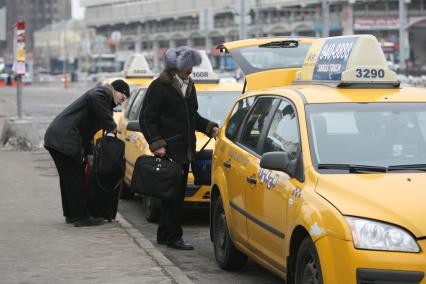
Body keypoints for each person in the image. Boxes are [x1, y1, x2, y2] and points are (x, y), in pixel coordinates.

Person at [139, 46, 219, 250]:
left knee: (174, 195)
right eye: (187, 66)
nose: (191, 70)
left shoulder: (189, 85)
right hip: (168, 150)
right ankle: (174, 236)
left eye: (192, 65)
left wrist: (210, 128)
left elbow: (193, 117)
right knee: (172, 196)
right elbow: (147, 119)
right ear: (176, 67)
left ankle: (165, 234)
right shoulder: (159, 86)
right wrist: (157, 144)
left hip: (184, 150)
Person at [44, 79, 130, 227]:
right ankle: (81, 217)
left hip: (59, 138)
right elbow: (93, 97)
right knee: (76, 176)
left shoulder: (104, 104)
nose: (122, 102)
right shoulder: (103, 92)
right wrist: (111, 124)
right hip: (64, 139)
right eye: (123, 97)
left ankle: (71, 214)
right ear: (116, 90)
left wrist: (89, 153)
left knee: (68, 179)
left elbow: (88, 132)